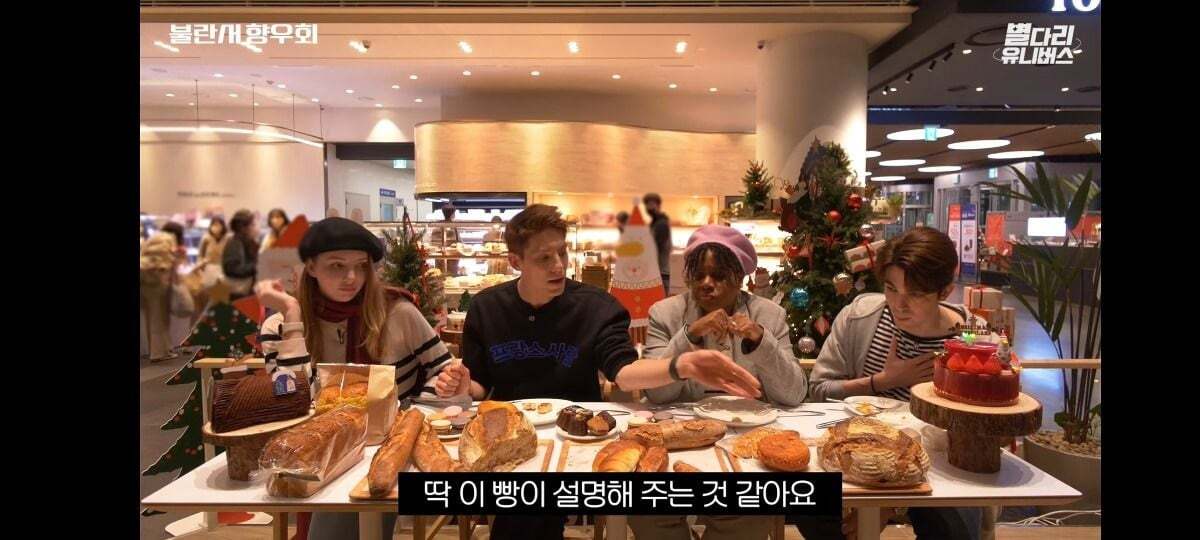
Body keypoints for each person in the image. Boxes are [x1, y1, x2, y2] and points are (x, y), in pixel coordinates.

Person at [435, 204, 762, 540]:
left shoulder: (596, 307)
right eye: (544, 258)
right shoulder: (487, 307)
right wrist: (462, 386)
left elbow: (624, 371)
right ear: (515, 261)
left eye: (562, 252)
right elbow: (480, 385)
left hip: (580, 439)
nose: (558, 265)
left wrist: (680, 365)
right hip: (510, 440)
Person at [253, 217, 456, 540]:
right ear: (311, 266)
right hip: (316, 452)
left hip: (385, 451)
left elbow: (442, 367)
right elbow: (290, 399)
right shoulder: (280, 325)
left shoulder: (397, 312)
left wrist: (413, 413)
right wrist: (293, 316)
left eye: (361, 266)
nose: (352, 278)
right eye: (337, 266)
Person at [801, 227, 982, 540]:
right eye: (891, 288)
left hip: (938, 463)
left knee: (955, 528)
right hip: (858, 450)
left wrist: (892, 501)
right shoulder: (860, 317)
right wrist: (883, 381)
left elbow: (979, 427)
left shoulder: (971, 336)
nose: (899, 304)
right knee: (810, 506)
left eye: (916, 294)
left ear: (945, 291)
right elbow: (818, 389)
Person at [631, 225, 806, 540]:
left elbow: (793, 394)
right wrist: (690, 334)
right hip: (678, 433)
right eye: (698, 276)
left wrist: (760, 340)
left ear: (739, 279)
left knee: (750, 506)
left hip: (747, 436)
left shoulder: (769, 315)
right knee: (647, 505)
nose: (706, 284)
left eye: (719, 276)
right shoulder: (665, 314)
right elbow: (657, 395)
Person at [140, 233, 195, 361]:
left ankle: (161, 349)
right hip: (160, 291)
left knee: (151, 321)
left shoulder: (145, 260)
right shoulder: (166, 260)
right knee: (160, 322)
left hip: (146, 291)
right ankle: (159, 353)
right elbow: (175, 276)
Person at [222, 209, 260, 298]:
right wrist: (257, 266)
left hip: (246, 292)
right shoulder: (235, 243)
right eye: (253, 224)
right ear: (243, 228)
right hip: (239, 294)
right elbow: (232, 269)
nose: (257, 228)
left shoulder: (248, 241)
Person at [643, 193, 672, 296]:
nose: (649, 208)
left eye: (651, 204)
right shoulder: (655, 223)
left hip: (661, 274)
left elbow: (654, 248)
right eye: (647, 205)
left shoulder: (661, 224)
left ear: (658, 205)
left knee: (659, 303)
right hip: (658, 273)